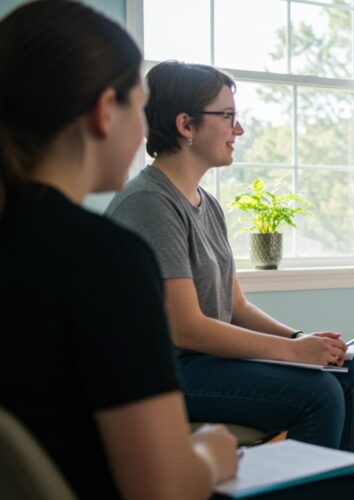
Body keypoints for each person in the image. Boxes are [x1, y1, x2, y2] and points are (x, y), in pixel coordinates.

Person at [0, 1, 237, 497]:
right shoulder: (104, 257)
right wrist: (213, 452)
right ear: (105, 112)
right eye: (138, 103)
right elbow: (163, 487)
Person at [105, 61, 354, 454]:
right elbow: (187, 329)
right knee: (320, 393)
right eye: (228, 116)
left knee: (352, 374)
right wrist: (294, 354)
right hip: (158, 375)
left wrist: (300, 339)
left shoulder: (207, 204)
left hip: (202, 363)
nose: (239, 129)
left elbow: (235, 306)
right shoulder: (149, 204)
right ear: (186, 125)